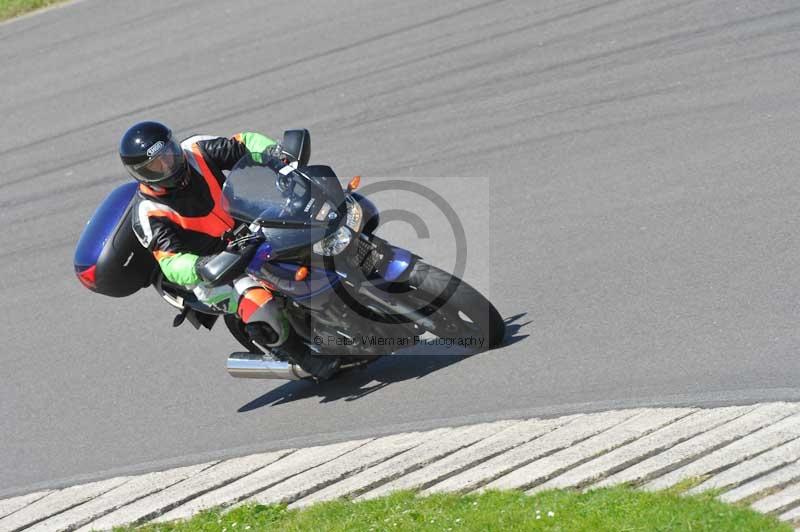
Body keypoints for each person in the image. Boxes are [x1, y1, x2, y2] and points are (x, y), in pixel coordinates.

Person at [119, 120, 339, 379]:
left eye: (168, 154)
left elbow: (244, 143)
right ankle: (299, 355)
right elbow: (170, 262)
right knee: (255, 298)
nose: (167, 165)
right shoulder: (148, 210)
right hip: (215, 267)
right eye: (156, 166)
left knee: (313, 222)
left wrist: (277, 155)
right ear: (142, 174)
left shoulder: (196, 150)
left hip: (250, 227)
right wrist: (202, 266)